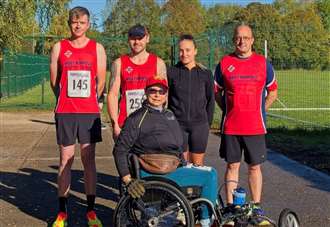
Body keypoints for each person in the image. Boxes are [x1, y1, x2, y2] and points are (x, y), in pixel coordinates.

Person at [113, 77, 218, 227]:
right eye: (153, 91)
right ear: (146, 92)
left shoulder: (169, 114)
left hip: (173, 167)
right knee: (210, 176)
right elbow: (119, 150)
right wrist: (128, 180)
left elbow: (178, 146)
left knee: (206, 171)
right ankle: (205, 221)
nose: (157, 95)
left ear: (166, 94)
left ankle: (200, 217)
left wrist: (185, 163)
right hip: (154, 173)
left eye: (161, 91)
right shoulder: (136, 119)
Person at [214, 24, 278, 226]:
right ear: (234, 40)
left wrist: (260, 110)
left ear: (252, 40)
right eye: (238, 38)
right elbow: (217, 92)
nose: (242, 41)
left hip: (255, 127)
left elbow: (273, 92)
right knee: (232, 165)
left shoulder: (263, 63)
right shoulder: (224, 63)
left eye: (246, 37)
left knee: (254, 167)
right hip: (231, 126)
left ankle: (256, 206)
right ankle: (232, 208)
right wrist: (229, 109)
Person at [49, 6, 106, 227]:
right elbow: (55, 81)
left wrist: (92, 99)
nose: (78, 25)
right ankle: (62, 213)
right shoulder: (59, 47)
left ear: (88, 24)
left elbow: (100, 81)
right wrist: (64, 99)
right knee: (65, 160)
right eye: (74, 22)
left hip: (89, 112)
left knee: (88, 160)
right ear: (69, 24)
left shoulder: (97, 48)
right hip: (66, 111)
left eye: (82, 22)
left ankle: (91, 212)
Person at [107, 24, 167, 140]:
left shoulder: (158, 63)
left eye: (140, 38)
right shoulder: (119, 63)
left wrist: (160, 122)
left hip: (150, 124)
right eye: (133, 38)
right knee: (124, 158)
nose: (137, 42)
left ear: (147, 38)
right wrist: (115, 125)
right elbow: (113, 95)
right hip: (125, 124)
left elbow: (164, 95)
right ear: (128, 39)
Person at [167, 34, 215, 166]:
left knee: (197, 165)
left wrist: (207, 124)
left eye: (188, 50)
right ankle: (181, 188)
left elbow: (211, 100)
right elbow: (167, 99)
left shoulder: (206, 74)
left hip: (199, 126)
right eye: (181, 50)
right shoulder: (171, 72)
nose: (184, 54)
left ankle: (193, 188)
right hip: (178, 125)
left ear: (195, 51)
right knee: (181, 164)